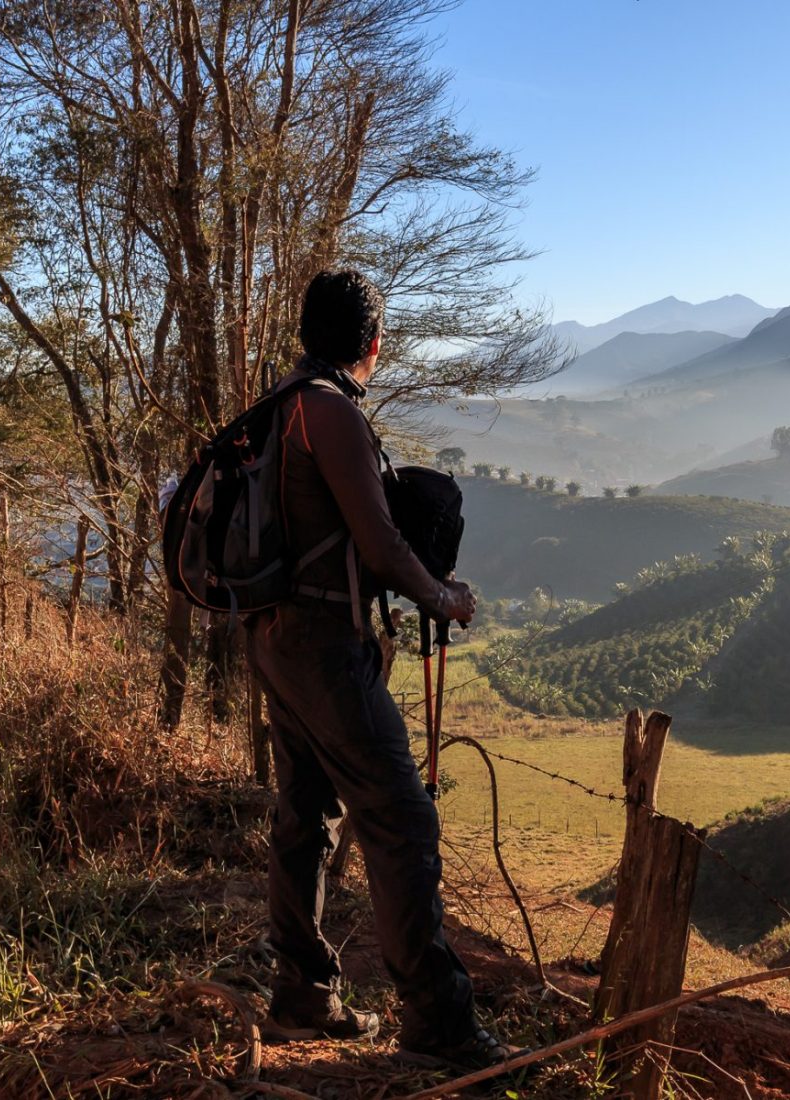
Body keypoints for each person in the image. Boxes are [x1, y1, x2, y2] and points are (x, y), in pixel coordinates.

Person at [246, 269, 520, 1073]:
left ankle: (303, 997)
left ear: (307, 332)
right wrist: (443, 595)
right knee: (402, 821)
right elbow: (378, 544)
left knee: (305, 812)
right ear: (374, 342)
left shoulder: (280, 402)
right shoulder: (330, 412)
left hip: (272, 636)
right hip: (324, 648)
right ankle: (436, 1021)